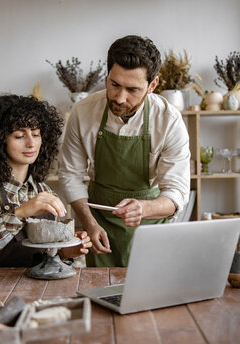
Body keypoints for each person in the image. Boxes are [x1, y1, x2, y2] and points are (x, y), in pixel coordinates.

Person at [58, 35, 190, 267]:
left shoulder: (169, 120)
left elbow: (176, 192)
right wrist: (89, 223)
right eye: (114, 84)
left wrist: (145, 208)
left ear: (152, 85)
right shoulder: (83, 112)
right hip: (98, 222)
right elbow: (70, 175)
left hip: (150, 226)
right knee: (100, 294)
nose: (119, 98)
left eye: (132, 89)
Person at [0, 94, 92, 269]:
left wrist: (65, 252)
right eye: (19, 136)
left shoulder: (44, 191)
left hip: (38, 291)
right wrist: (19, 213)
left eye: (36, 134)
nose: (31, 143)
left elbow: (47, 257)